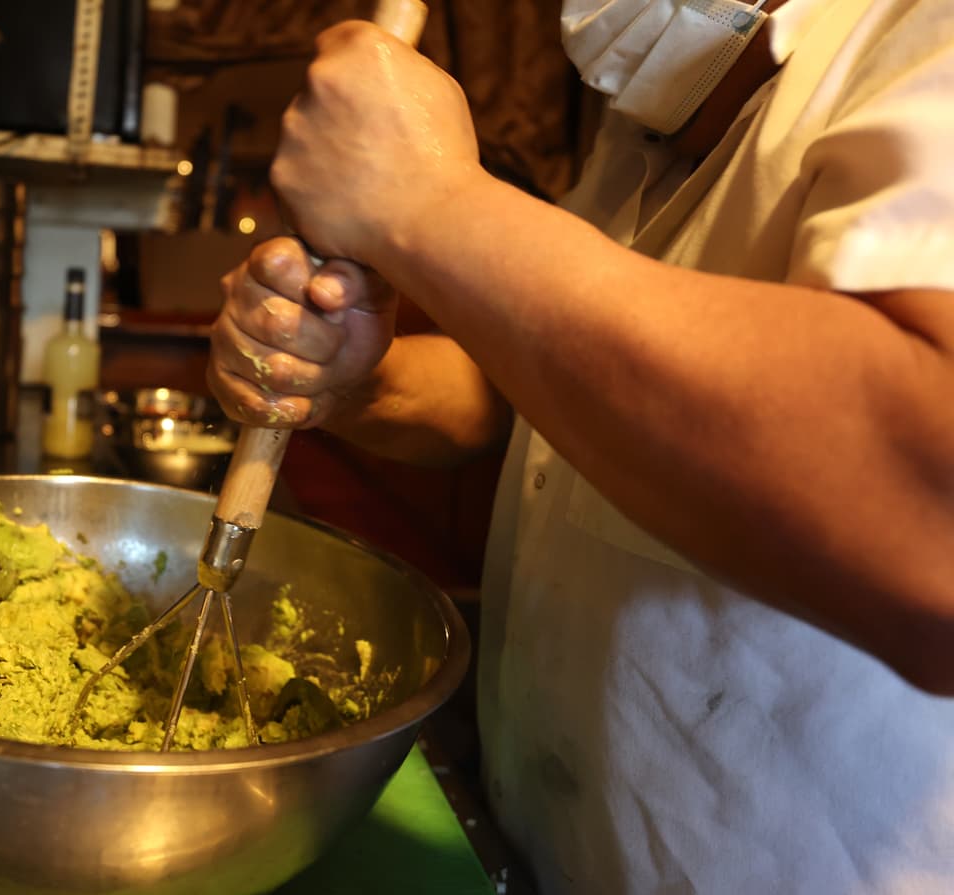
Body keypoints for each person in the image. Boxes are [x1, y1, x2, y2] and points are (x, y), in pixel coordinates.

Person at [206, 0, 954, 890]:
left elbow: (924, 509)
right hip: (542, 844)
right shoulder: (651, 123)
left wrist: (429, 202)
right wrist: (352, 379)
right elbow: (546, 400)